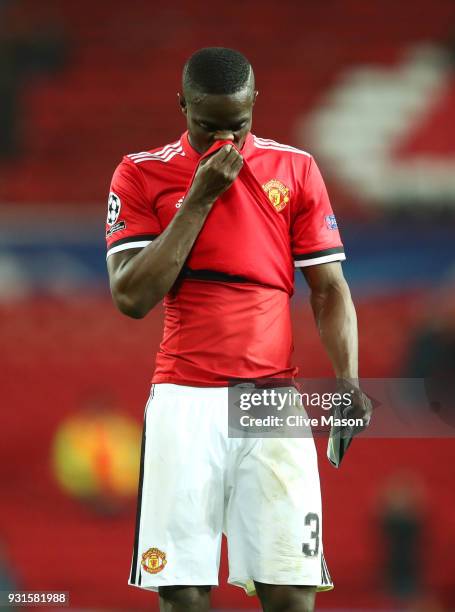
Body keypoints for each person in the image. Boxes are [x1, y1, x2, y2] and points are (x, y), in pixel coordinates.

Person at [106, 47, 372, 612]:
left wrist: (348, 379)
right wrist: (199, 198)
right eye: (207, 127)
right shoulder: (141, 172)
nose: (224, 142)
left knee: (291, 592)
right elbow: (131, 296)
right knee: (183, 592)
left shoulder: (295, 169)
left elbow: (329, 288)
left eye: (238, 125)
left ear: (256, 104)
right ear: (182, 105)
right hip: (186, 397)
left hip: (271, 398)